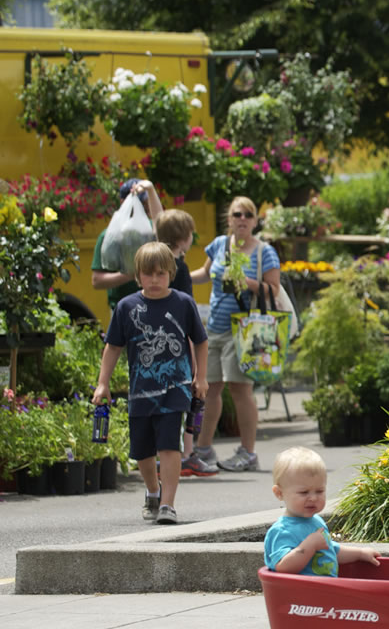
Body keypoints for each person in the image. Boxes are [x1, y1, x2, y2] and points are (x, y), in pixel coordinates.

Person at [92, 242, 208, 525]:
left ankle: (168, 504)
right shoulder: (127, 307)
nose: (154, 280)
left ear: (171, 273)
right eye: (148, 274)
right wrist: (102, 384)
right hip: (141, 392)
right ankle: (152, 491)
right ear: (137, 276)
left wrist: (200, 377)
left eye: (160, 274)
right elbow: (113, 348)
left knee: (170, 445)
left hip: (175, 389)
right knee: (142, 452)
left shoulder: (182, 303)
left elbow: (200, 341)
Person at [189, 196, 281, 473]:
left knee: (241, 389)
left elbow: (273, 290)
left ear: (255, 221)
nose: (242, 219)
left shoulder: (264, 251)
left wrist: (248, 283)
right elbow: (205, 274)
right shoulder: (219, 245)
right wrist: (176, 275)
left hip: (244, 330)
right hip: (214, 327)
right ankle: (203, 448)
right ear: (229, 219)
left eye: (248, 215)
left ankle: (248, 452)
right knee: (209, 388)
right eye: (237, 214)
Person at [154, 208, 214, 477]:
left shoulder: (160, 265)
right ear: (182, 237)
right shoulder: (179, 267)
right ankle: (187, 453)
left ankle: (162, 453)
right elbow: (187, 311)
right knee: (191, 398)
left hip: (159, 340)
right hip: (180, 341)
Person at [264, 447, 380, 575]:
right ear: (279, 493)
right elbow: (283, 566)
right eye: (304, 492)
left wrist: (360, 554)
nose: (313, 498)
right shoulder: (282, 531)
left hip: (322, 591)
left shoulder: (316, 521)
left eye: (319, 491)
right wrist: (309, 546)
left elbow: (331, 550)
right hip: (300, 593)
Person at [90, 179, 164, 308]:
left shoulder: (151, 231)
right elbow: (97, 281)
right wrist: (130, 274)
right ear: (123, 202)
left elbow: (162, 223)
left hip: (154, 305)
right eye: (139, 202)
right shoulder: (110, 236)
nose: (141, 207)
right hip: (121, 307)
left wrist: (150, 190)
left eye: (144, 203)